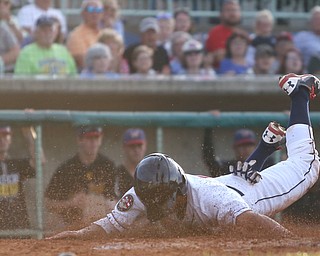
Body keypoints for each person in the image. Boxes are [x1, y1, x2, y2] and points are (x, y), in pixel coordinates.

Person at [48, 73, 320, 240]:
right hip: (228, 184)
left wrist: (294, 243)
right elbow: (105, 227)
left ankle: (299, 96)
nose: (160, 209)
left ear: (178, 190)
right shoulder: (145, 193)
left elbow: (251, 222)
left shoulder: (211, 199)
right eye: (154, 203)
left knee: (307, 164)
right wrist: (68, 237)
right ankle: (264, 146)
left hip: (247, 196)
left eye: (165, 202)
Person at [45, 125, 117, 231]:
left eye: (96, 138)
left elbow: (114, 200)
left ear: (101, 140)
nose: (93, 143)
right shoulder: (67, 168)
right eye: (89, 138)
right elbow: (48, 203)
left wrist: (100, 203)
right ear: (79, 140)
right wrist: (71, 203)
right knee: (53, 223)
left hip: (99, 226)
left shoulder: (107, 166)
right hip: (70, 226)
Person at [0, 124, 46, 231]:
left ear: (10, 138)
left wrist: (29, 131)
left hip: (21, 230)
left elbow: (40, 161)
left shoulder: (16, 164)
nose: (2, 140)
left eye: (5, 135)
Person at [203, 124, 276, 177]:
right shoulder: (229, 167)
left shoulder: (267, 164)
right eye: (242, 145)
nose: (246, 149)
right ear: (235, 148)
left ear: (255, 146)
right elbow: (210, 160)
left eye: (249, 145)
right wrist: (209, 128)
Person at [66, 0, 104, 71]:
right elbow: (83, 62)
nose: (95, 13)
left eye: (98, 10)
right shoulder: (76, 35)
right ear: (83, 13)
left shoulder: (105, 33)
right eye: (91, 9)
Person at [205, 0, 243, 69]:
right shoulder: (214, 33)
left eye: (235, 10)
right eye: (228, 10)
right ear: (221, 13)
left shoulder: (243, 35)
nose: (232, 13)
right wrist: (214, 56)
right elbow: (207, 57)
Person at [115, 128, 147, 198]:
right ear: (124, 147)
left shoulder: (151, 174)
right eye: (132, 146)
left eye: (139, 145)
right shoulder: (116, 174)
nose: (136, 150)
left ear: (145, 145)